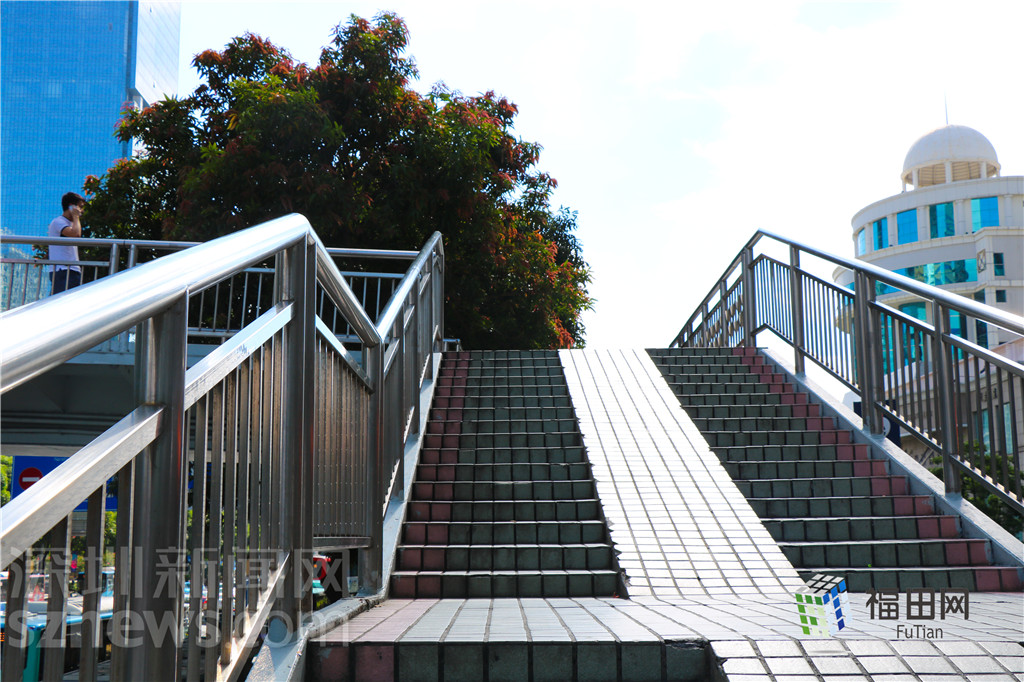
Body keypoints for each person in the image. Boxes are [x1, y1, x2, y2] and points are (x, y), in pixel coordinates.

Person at [48, 192, 85, 294]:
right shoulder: (58, 222)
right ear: (71, 206)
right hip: (63, 270)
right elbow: (76, 234)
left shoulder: (71, 223)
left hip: (71, 270)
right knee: (60, 300)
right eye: (80, 207)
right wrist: (76, 217)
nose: (81, 211)